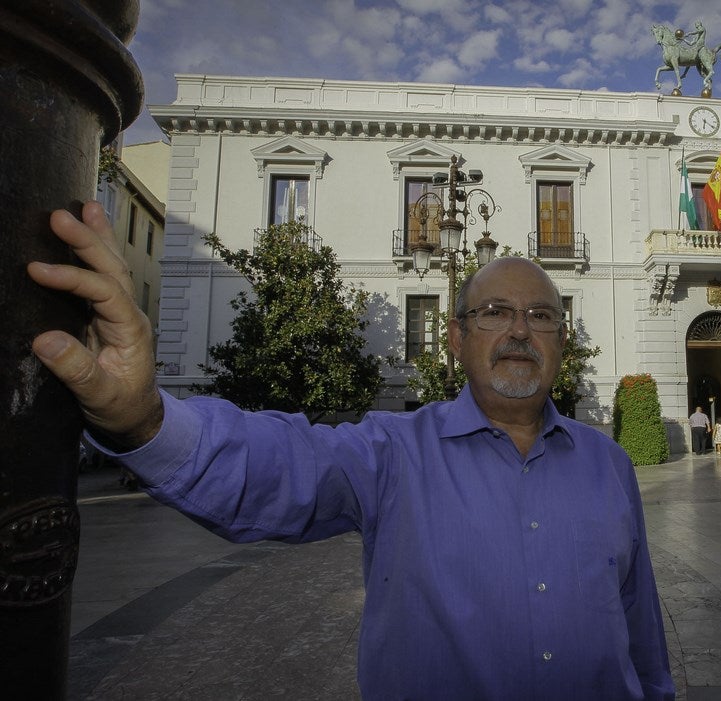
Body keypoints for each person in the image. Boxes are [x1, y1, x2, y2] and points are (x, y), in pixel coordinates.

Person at [28, 202, 675, 701]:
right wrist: (144, 418)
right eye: (495, 312)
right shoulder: (393, 453)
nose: (517, 331)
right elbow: (281, 466)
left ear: (560, 339)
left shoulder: (609, 465)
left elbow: (641, 629)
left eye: (540, 316)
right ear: (456, 337)